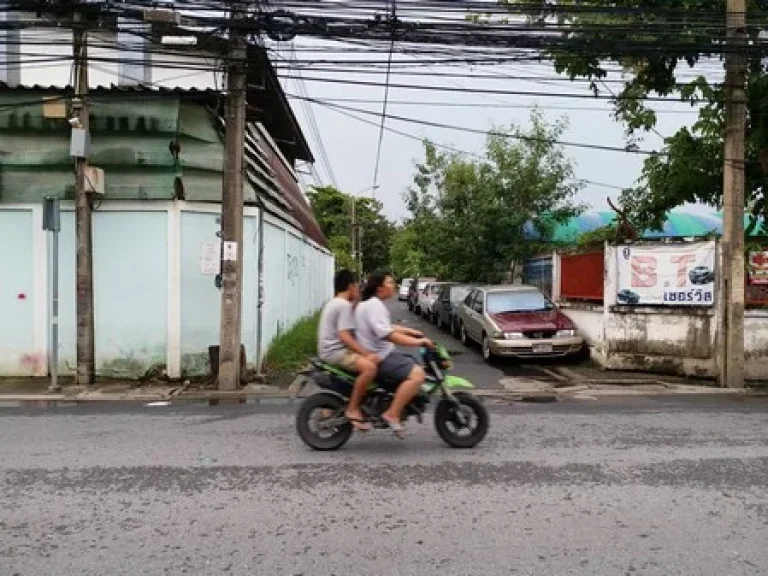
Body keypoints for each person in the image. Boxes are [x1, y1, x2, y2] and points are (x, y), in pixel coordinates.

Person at [356, 270, 433, 438]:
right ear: (380, 287)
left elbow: (388, 327)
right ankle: (392, 413)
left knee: (413, 364)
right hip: (380, 357)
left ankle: (393, 404)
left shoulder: (371, 304)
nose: (394, 286)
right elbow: (388, 335)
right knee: (418, 375)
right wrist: (419, 342)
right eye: (390, 282)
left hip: (380, 353)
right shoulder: (374, 306)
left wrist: (412, 332)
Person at [317, 269, 379, 431]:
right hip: (335, 352)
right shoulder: (343, 305)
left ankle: (333, 407)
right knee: (370, 367)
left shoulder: (335, 302)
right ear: (350, 286)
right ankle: (352, 408)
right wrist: (366, 353)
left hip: (329, 350)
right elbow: (345, 336)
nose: (358, 290)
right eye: (357, 287)